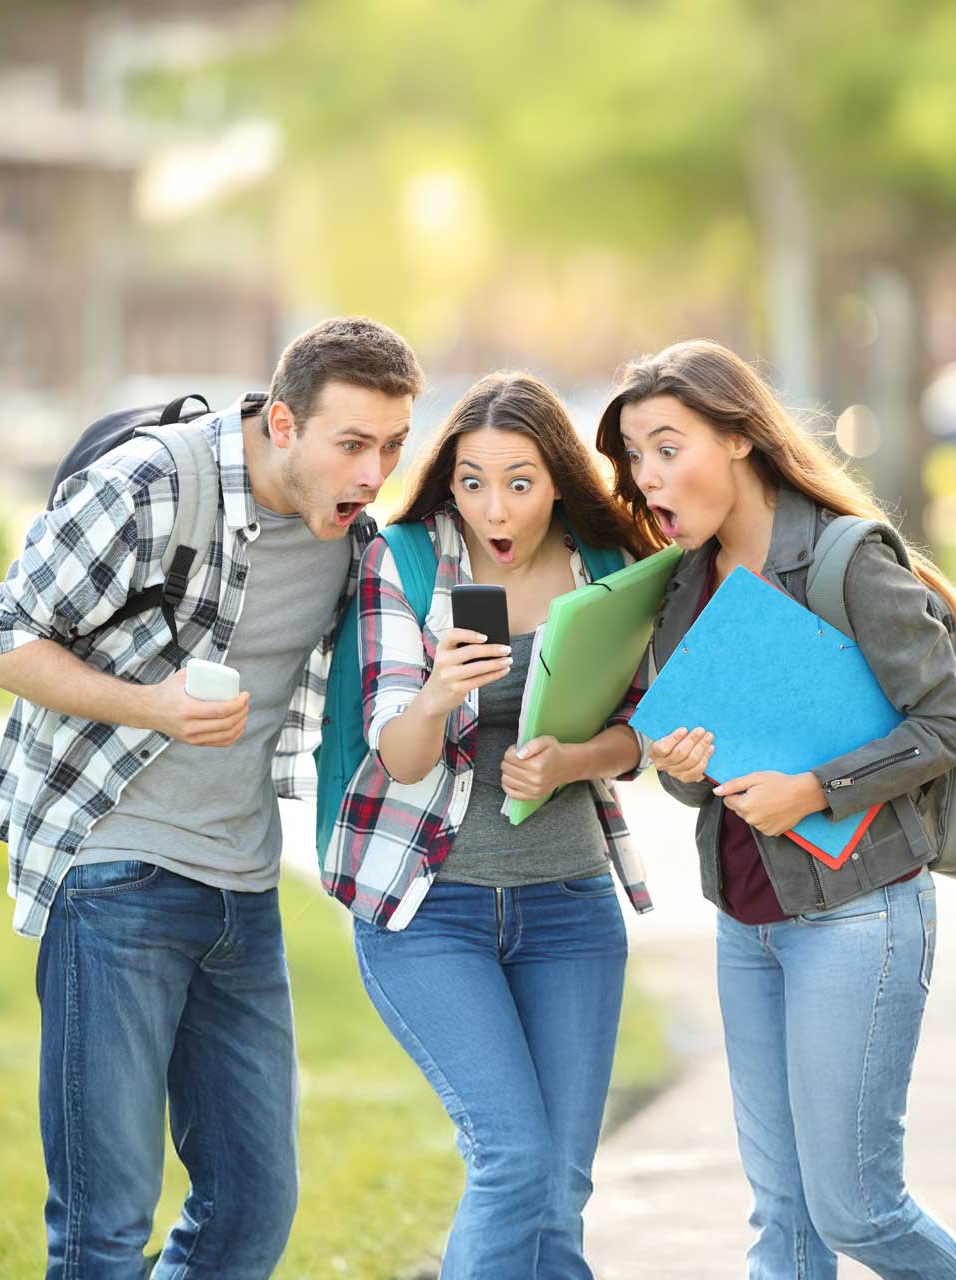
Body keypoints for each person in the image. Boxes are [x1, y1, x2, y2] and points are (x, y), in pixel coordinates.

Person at [0, 316, 424, 1279]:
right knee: (103, 1226)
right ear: (285, 424)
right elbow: (0, 637)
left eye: (392, 446)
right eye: (353, 444)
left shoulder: (352, 536)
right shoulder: (151, 484)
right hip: (112, 870)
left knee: (254, 1208)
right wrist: (153, 707)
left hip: (241, 890)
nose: (373, 471)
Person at [598, 339, 956, 1280]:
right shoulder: (682, 585)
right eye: (636, 458)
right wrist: (682, 764)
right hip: (750, 921)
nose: (649, 477)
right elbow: (695, 776)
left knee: (859, 1213)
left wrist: (816, 790)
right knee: (783, 1222)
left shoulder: (841, 559)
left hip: (857, 916)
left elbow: (952, 722)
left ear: (739, 438)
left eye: (668, 446)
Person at [333, 371, 661, 1279]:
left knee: (558, 1191)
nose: (494, 508)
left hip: (569, 905)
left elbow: (647, 734)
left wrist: (572, 760)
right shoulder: (400, 558)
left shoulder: (609, 566)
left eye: (519, 481)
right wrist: (439, 692)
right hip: (430, 908)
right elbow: (400, 756)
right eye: (472, 481)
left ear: (559, 478)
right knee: (514, 1160)